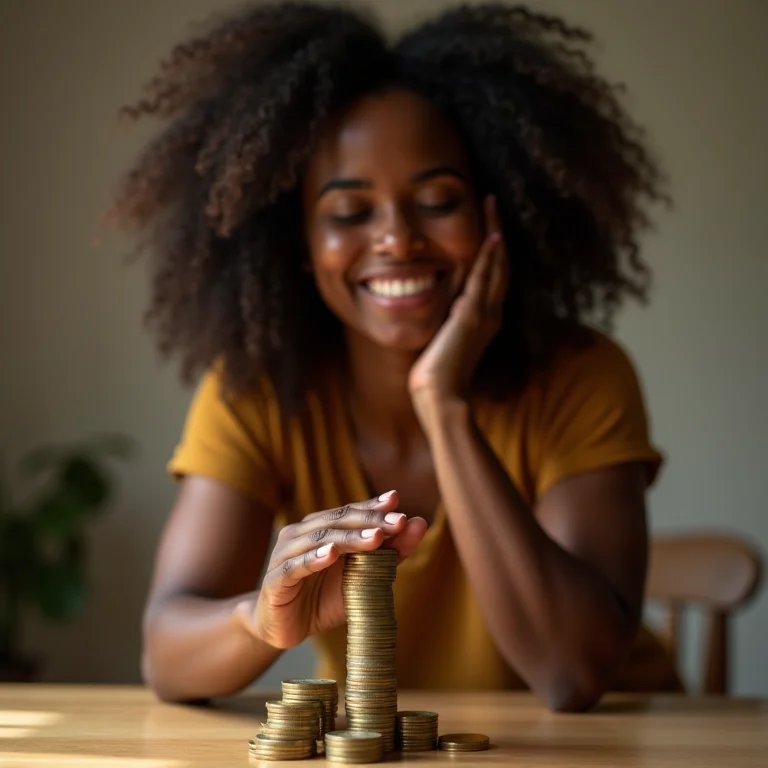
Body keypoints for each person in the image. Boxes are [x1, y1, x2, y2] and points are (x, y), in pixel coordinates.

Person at [109, 1, 682, 712]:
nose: (397, 240)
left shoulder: (581, 375)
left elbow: (571, 674)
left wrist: (442, 404)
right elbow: (165, 653)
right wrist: (261, 619)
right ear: (299, 243)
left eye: (438, 200)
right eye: (350, 212)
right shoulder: (259, 390)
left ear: (497, 214)